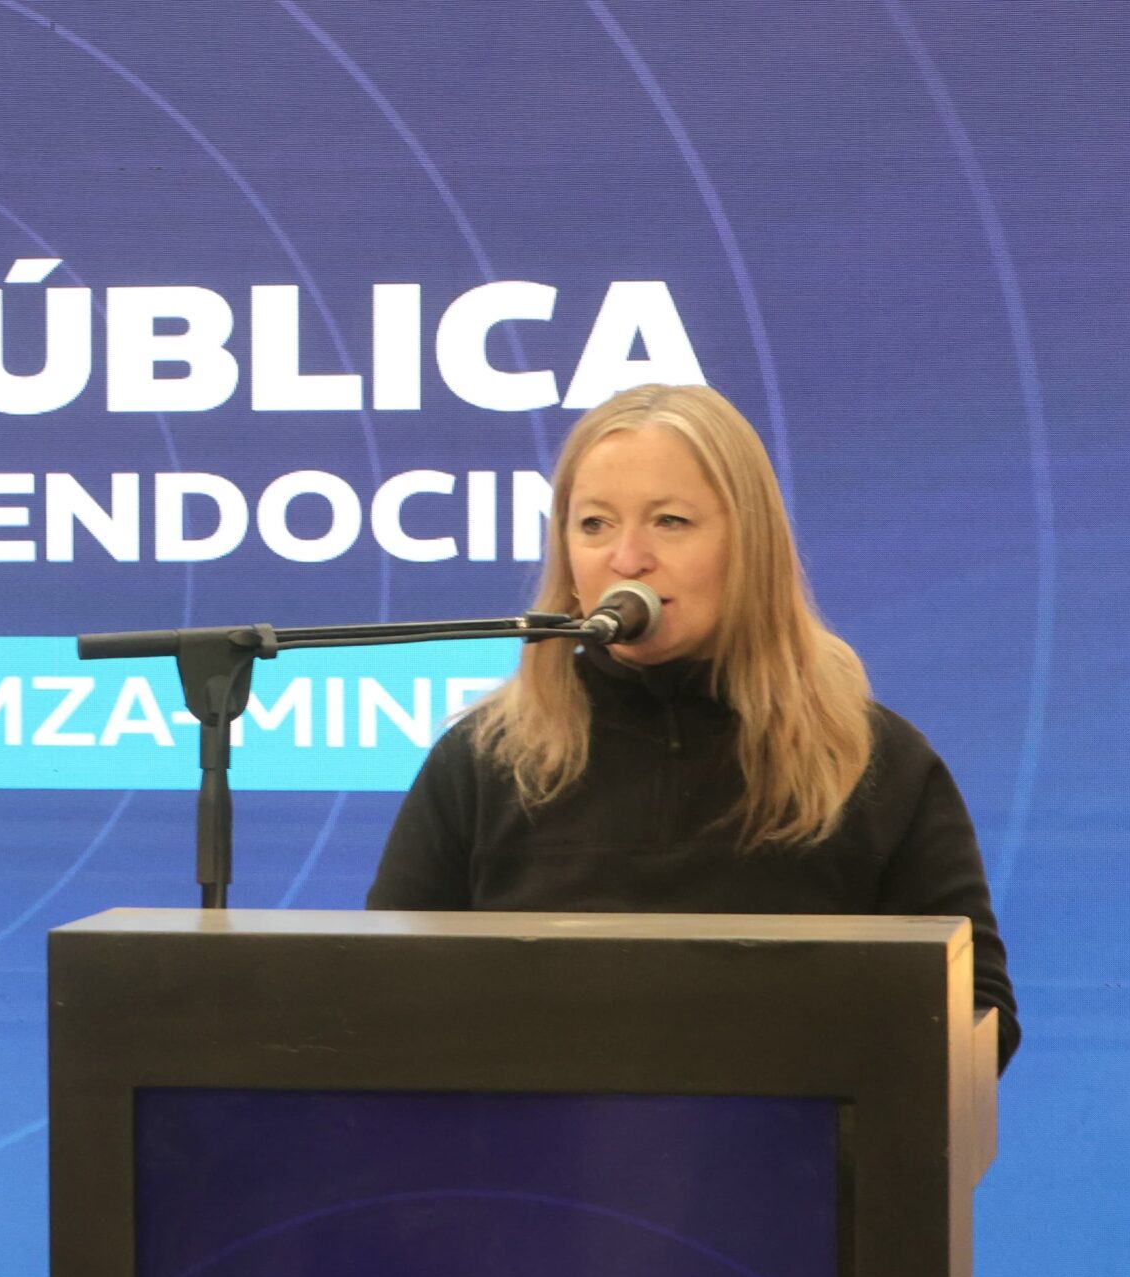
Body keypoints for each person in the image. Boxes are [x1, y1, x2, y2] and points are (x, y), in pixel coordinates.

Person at [366, 382, 1019, 1070]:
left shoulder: (871, 759)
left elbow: (977, 1017)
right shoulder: (483, 761)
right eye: (594, 524)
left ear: (750, 547)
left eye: (670, 521)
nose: (627, 558)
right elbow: (378, 998)